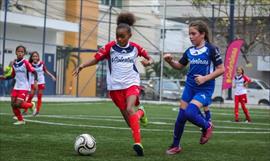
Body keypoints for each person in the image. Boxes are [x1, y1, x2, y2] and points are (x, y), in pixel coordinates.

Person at [73, 12, 153, 156]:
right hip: (115, 87)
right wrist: (82, 65)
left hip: (132, 83)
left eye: (122, 36)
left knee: (129, 109)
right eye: (117, 36)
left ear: (129, 35)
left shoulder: (135, 48)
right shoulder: (110, 47)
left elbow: (149, 58)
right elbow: (96, 59)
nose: (119, 39)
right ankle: (141, 112)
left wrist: (148, 62)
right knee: (130, 122)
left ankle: (138, 144)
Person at [164, 20, 225, 155]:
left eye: (193, 34)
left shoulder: (211, 49)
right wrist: (170, 61)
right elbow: (179, 66)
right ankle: (175, 146)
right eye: (189, 34)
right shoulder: (189, 51)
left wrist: (205, 78)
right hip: (190, 87)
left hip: (204, 89)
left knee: (190, 113)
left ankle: (207, 126)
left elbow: (221, 69)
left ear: (202, 34)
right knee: (181, 118)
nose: (191, 37)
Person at [0, 45, 37, 125]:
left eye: (22, 52)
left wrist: (35, 81)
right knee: (13, 104)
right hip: (16, 86)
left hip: (24, 86)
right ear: (16, 52)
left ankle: (31, 105)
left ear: (24, 53)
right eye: (19, 51)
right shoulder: (14, 63)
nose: (20, 53)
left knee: (18, 104)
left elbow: (34, 72)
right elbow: (13, 75)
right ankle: (21, 120)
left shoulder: (25, 63)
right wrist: (4, 77)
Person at [23, 51, 56, 116]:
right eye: (33, 56)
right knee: (31, 96)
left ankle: (37, 111)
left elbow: (45, 71)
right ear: (31, 57)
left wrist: (52, 76)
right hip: (33, 82)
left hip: (41, 81)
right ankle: (25, 110)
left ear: (38, 57)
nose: (35, 57)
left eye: (36, 56)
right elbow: (26, 73)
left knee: (39, 97)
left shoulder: (41, 63)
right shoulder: (29, 64)